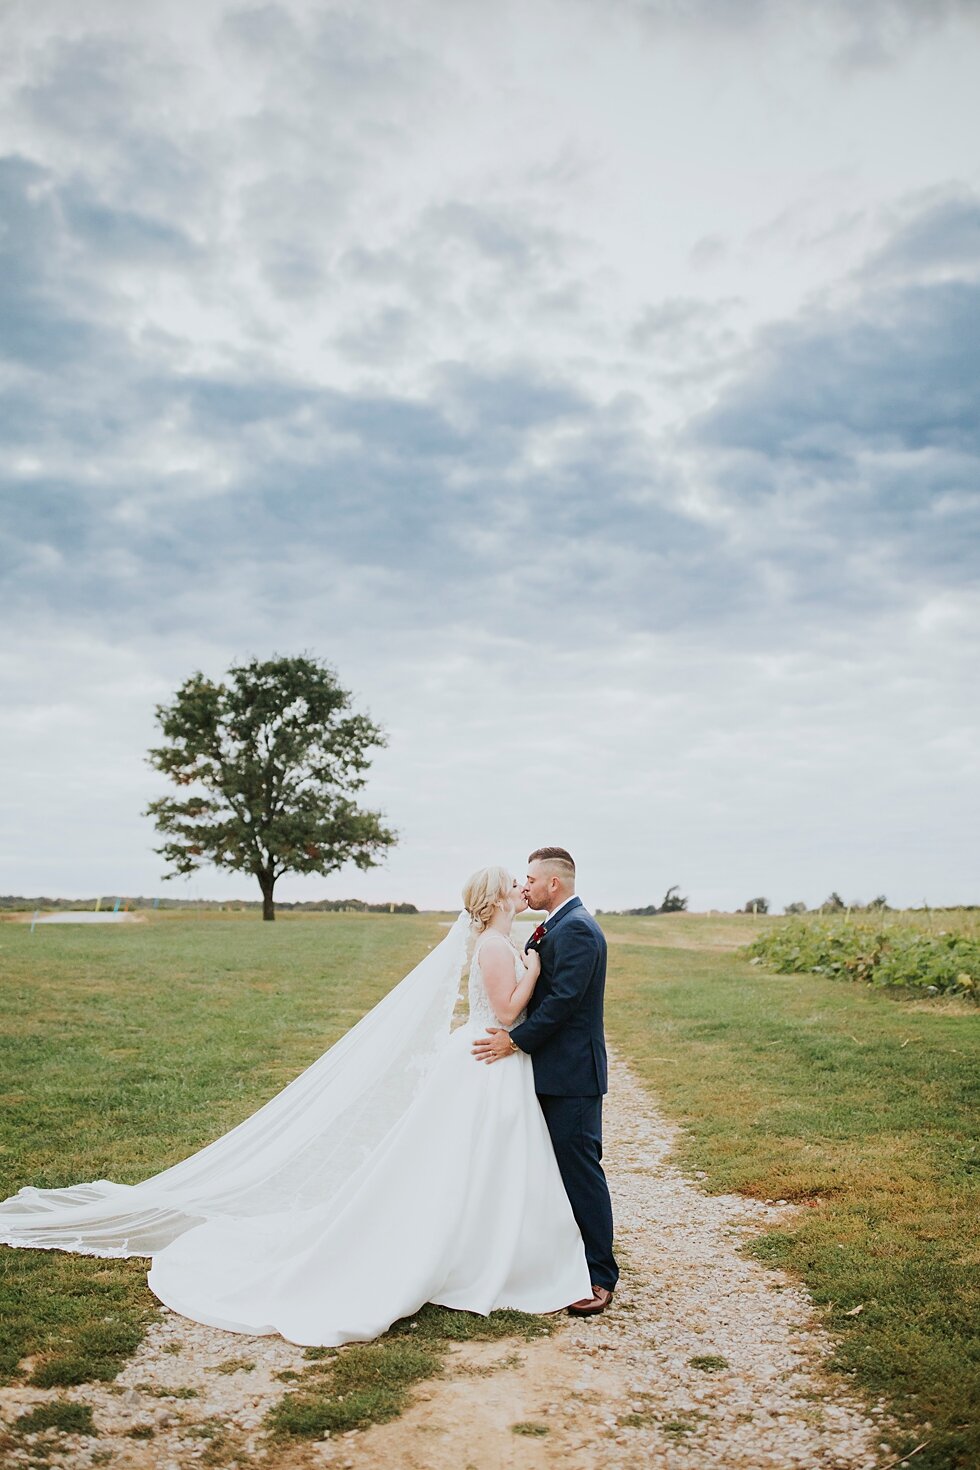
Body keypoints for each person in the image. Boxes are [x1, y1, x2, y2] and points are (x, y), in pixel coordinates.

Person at [0, 867, 592, 1346]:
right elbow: (509, 1013)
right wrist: (535, 968)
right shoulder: (495, 946)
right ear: (493, 901)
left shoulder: (501, 939)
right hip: (488, 1058)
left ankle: (495, 1244)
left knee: (492, 1158)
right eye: (513, 882)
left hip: (495, 1063)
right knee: (467, 1156)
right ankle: (472, 1250)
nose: (522, 887)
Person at [473, 847, 618, 1315]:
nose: (525, 885)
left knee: (580, 1170)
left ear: (552, 884)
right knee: (549, 1171)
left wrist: (514, 1043)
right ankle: (556, 1260)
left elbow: (562, 1003)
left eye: (531, 878)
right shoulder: (557, 924)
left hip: (572, 1075)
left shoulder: (576, 929)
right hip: (551, 1071)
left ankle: (599, 1275)